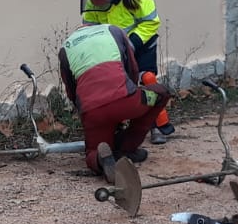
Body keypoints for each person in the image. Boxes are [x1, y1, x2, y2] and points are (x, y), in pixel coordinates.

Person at [58, 21, 170, 177]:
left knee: (93, 150)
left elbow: (71, 90)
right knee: (161, 93)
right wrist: (129, 92)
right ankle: (127, 148)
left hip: (93, 112)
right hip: (127, 101)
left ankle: (100, 159)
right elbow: (132, 68)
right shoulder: (113, 30)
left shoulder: (66, 47)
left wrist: (84, 113)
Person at [81, 0, 174, 143]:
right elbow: (90, 27)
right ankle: (118, 126)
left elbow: (151, 22)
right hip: (114, 48)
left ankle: (158, 125)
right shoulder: (93, 2)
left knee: (146, 79)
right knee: (117, 86)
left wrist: (132, 43)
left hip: (140, 44)